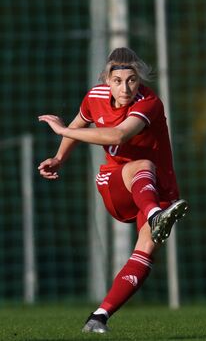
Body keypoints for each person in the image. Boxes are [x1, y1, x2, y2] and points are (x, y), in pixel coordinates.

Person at [38, 47, 188, 333]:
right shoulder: (94, 97)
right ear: (106, 79)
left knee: (144, 253)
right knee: (141, 164)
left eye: (131, 80)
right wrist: (59, 158)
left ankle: (99, 317)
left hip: (159, 190)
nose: (125, 87)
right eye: (117, 80)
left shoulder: (150, 102)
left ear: (139, 79)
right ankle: (155, 214)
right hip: (117, 183)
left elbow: (118, 134)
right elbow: (78, 123)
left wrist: (63, 131)